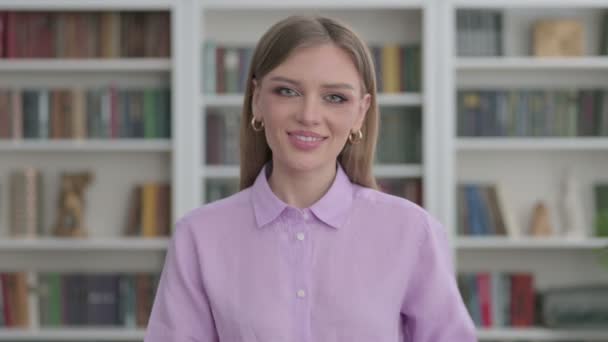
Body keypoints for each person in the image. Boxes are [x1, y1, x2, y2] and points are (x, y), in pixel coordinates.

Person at [145, 15, 476, 342]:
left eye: (335, 97)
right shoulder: (199, 236)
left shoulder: (413, 233)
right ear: (257, 100)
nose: (308, 116)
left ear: (361, 112)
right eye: (287, 91)